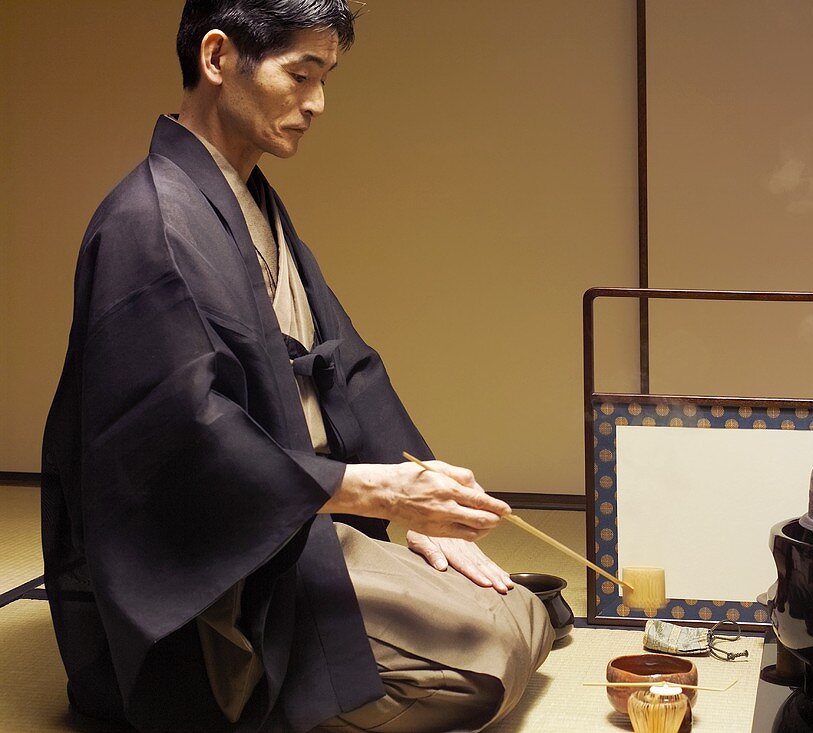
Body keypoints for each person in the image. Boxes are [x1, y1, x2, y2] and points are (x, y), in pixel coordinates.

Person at [40, 2, 553, 731]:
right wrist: (373, 492)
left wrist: (421, 506)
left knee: (519, 605)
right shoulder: (147, 224)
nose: (317, 103)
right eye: (301, 75)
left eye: (326, 78)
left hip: (292, 518)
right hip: (215, 567)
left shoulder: (245, 198)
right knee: (488, 658)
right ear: (217, 60)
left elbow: (347, 364)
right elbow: (184, 447)